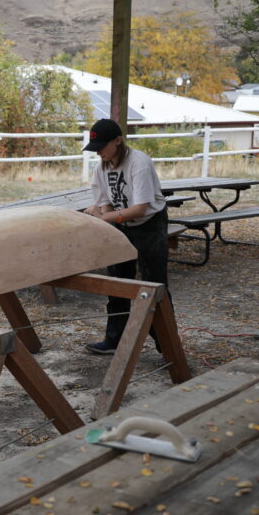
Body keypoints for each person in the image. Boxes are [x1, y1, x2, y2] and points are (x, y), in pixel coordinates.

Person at [82, 118, 170, 355]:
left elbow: (141, 208)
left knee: (154, 282)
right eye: (95, 148)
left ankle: (166, 343)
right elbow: (105, 203)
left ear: (118, 141)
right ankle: (115, 339)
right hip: (121, 223)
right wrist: (105, 216)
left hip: (149, 223)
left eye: (102, 146)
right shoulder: (101, 166)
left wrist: (104, 219)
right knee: (118, 282)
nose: (98, 152)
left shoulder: (138, 163)